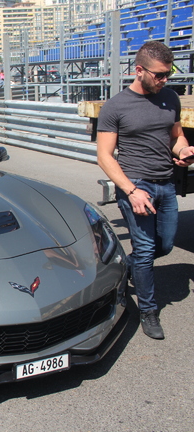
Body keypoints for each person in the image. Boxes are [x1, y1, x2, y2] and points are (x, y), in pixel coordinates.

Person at [97, 41, 194, 340]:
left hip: (165, 183)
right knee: (146, 248)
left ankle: (131, 267)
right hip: (136, 185)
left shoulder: (169, 98)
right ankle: (148, 310)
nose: (165, 80)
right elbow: (104, 156)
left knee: (164, 245)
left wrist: (183, 150)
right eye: (160, 75)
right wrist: (131, 190)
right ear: (139, 71)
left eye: (169, 74)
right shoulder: (115, 106)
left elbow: (175, 135)